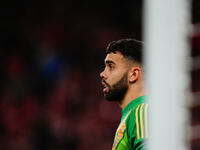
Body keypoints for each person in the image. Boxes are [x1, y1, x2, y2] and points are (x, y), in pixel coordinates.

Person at [100, 39, 148, 150]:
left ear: (133, 74)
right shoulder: (132, 114)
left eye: (111, 67)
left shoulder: (141, 111)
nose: (102, 74)